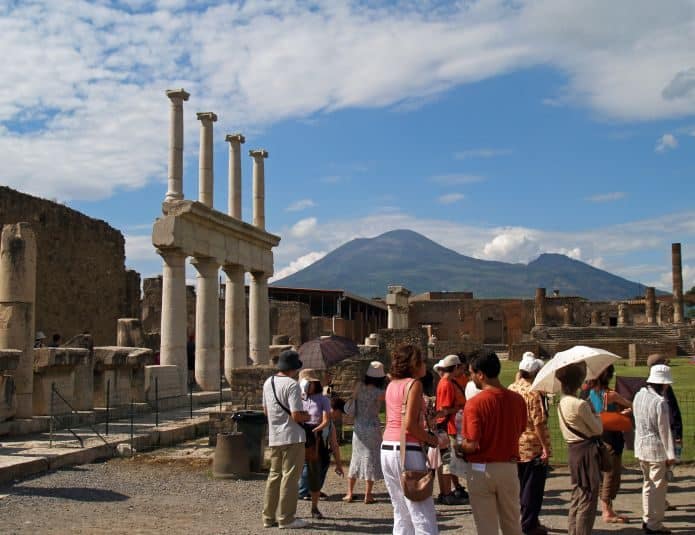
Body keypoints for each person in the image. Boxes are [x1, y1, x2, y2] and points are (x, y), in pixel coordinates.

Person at [458, 349, 527, 535]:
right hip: (508, 467)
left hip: (482, 468)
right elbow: (520, 430)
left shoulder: (475, 403)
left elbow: (471, 443)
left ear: (481, 374)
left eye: (472, 373)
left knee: (486, 527)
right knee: (512, 524)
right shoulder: (518, 400)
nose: (470, 378)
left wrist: (459, 448)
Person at [381, 344, 441, 535]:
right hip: (408, 449)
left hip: (388, 447)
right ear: (414, 364)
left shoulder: (391, 385)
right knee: (422, 511)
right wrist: (433, 440)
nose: (425, 364)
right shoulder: (414, 384)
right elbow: (410, 426)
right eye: (421, 360)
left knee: (400, 510)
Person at [261, 350, 310, 530]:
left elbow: (266, 410)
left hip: (275, 436)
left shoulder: (268, 382)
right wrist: (307, 416)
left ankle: (268, 517)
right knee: (290, 477)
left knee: (274, 476)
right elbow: (296, 415)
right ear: (294, 368)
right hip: (293, 436)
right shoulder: (292, 385)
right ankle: (286, 518)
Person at [556, 362, 602, 535]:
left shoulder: (562, 402)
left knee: (578, 495)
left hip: (574, 450)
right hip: (586, 452)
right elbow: (598, 429)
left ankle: (573, 531)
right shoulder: (580, 404)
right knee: (588, 499)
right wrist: (594, 412)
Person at [508, 352, 552, 535]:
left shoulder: (511, 388)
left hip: (514, 443)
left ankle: (525, 519)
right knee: (532, 489)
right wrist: (546, 448)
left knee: (520, 486)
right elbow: (538, 423)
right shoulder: (533, 393)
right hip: (531, 444)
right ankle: (529, 524)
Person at [582, 364, 632, 523]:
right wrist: (624, 412)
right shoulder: (611, 395)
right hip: (610, 437)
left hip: (594, 436)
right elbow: (632, 405)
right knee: (611, 474)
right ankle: (606, 511)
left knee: (602, 474)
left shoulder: (586, 394)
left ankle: (607, 508)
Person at [633, 364, 676, 534]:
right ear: (663, 383)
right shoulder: (660, 403)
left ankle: (647, 519)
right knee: (658, 488)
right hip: (656, 450)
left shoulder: (639, 395)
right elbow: (664, 432)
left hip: (641, 447)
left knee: (647, 484)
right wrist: (670, 454)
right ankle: (654, 524)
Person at [344, 361, 386, 504]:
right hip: (372, 426)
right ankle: (368, 494)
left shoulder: (359, 387)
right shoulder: (379, 393)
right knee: (371, 459)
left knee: (355, 458)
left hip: (359, 426)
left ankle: (349, 493)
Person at [433, 354, 467, 505]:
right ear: (454, 367)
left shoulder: (446, 381)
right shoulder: (447, 383)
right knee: (447, 461)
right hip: (448, 426)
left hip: (446, 425)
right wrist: (459, 407)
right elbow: (445, 409)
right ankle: (446, 493)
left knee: (445, 461)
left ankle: (445, 492)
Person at [299, 370, 332, 520]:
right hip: (300, 434)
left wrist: (315, 430)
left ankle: (314, 506)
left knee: (315, 471)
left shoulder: (322, 398)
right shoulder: (298, 398)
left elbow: (326, 420)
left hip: (314, 436)